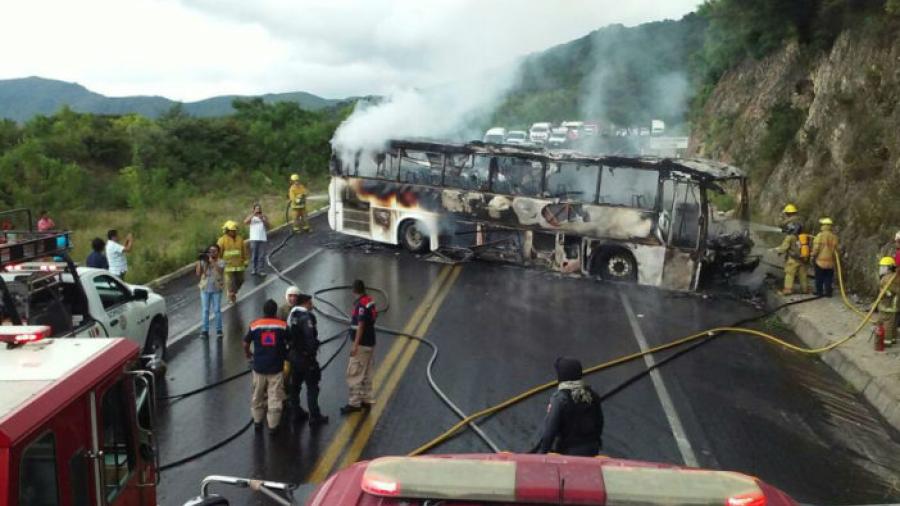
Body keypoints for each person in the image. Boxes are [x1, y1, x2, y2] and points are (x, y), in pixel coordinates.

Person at [537, 357, 604, 456]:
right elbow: (600, 423)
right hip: (592, 449)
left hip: (569, 451)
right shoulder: (593, 395)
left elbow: (550, 431)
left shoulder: (560, 398)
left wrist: (542, 453)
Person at [243, 299, 289, 433]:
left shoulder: (255, 325)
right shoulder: (282, 325)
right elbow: (290, 341)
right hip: (276, 368)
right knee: (274, 396)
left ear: (263, 311)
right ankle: (273, 425)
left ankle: (257, 422)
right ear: (275, 311)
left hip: (259, 368)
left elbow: (245, 343)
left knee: (257, 394)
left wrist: (248, 354)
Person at [286, 293, 329, 426]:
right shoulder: (307, 318)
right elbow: (310, 337)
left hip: (293, 356)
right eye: (310, 303)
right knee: (312, 387)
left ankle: (296, 412)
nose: (312, 306)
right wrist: (312, 353)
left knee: (295, 386)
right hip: (305, 358)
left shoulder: (292, 315)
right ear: (305, 303)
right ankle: (314, 416)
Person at [340, 279, 377, 414]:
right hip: (370, 342)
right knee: (366, 372)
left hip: (361, 344)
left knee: (355, 373)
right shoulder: (370, 301)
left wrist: (355, 345)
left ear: (354, 291)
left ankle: (354, 403)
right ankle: (366, 399)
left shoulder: (361, 305)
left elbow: (361, 325)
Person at [195, 244, 225, 339]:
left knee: (217, 310)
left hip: (216, 289)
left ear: (218, 252)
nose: (212, 253)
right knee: (205, 310)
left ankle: (219, 330)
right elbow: (198, 273)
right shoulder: (204, 262)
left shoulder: (221, 261)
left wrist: (212, 262)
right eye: (210, 251)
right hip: (205, 289)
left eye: (214, 251)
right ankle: (205, 330)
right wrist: (200, 261)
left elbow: (220, 271)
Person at [771, 221, 809, 295]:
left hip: (793, 260)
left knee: (789, 274)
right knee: (803, 275)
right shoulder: (804, 237)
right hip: (803, 259)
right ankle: (805, 290)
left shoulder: (790, 237)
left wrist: (774, 250)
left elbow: (783, 248)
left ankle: (787, 290)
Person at [217, 220, 247, 304]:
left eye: (235, 230)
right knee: (230, 284)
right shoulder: (222, 241)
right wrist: (220, 266)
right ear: (227, 231)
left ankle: (233, 292)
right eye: (232, 231)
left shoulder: (240, 239)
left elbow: (244, 251)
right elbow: (218, 254)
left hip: (239, 266)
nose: (234, 232)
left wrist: (246, 261)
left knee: (241, 280)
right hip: (228, 268)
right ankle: (231, 298)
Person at [811, 217, 839, 298]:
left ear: (824, 226)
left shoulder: (820, 235)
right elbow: (836, 250)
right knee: (828, 278)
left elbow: (816, 248)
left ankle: (819, 292)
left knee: (819, 278)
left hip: (820, 261)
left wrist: (812, 255)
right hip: (830, 262)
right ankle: (828, 293)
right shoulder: (834, 237)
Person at [877, 257, 900, 347]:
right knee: (893, 323)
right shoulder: (894, 277)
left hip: (889, 305)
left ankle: (886, 341)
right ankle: (892, 339)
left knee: (888, 324)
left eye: (883, 267)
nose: (881, 270)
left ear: (889, 268)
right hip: (893, 305)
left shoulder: (888, 278)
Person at [244, 203, 269, 276]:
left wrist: (263, 220)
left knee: (262, 255)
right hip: (254, 238)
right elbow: (245, 222)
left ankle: (261, 270)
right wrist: (253, 215)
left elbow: (269, 226)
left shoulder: (264, 216)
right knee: (254, 255)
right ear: (254, 210)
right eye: (256, 209)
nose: (258, 210)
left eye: (259, 209)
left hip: (262, 238)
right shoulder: (251, 217)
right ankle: (254, 269)